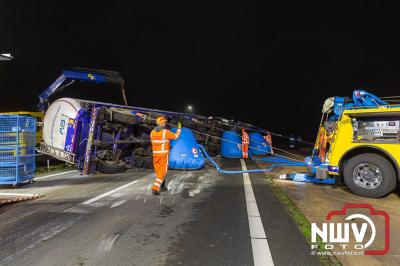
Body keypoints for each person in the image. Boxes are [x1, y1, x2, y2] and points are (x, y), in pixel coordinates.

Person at [150, 117, 181, 195]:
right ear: (161, 123)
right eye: (163, 122)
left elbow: (156, 142)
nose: (164, 123)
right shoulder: (165, 132)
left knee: (158, 171)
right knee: (162, 172)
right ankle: (155, 188)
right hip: (163, 155)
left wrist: (166, 144)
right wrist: (179, 129)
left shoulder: (152, 132)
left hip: (155, 155)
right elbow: (176, 136)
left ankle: (162, 185)